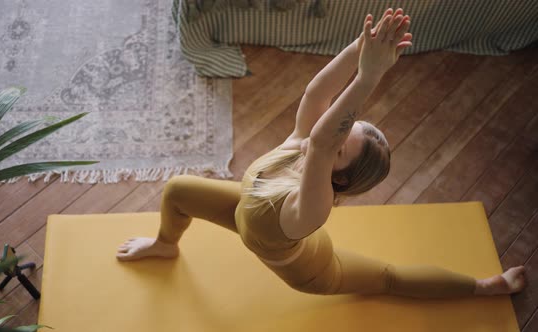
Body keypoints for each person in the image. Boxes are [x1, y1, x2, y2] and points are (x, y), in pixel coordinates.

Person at [117, 8, 526, 298]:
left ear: (341, 176)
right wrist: (359, 48)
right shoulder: (302, 144)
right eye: (345, 125)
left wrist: (370, 76)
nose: (332, 126)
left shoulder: (314, 205)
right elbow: (318, 93)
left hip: (313, 270)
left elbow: (325, 140)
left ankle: (486, 287)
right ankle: (165, 243)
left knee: (389, 279)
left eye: (342, 141)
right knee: (177, 190)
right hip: (250, 220)